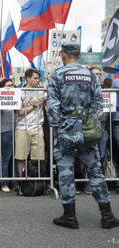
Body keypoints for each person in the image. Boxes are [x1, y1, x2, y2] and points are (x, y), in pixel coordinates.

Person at [47, 42, 119, 229]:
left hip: (66, 130)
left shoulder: (57, 75)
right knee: (95, 170)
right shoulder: (90, 75)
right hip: (87, 129)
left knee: (65, 172)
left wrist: (60, 125)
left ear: (63, 55)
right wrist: (90, 121)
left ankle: (70, 217)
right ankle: (107, 215)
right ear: (78, 56)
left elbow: (52, 105)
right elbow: (98, 100)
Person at [15, 69, 46, 182]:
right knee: (21, 157)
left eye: (39, 78)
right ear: (28, 78)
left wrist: (46, 100)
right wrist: (35, 105)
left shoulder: (42, 91)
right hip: (22, 127)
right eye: (35, 78)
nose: (37, 81)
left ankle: (36, 182)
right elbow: (21, 111)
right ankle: (23, 182)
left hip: (38, 128)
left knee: (38, 158)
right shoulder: (21, 92)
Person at [0, 79, 16, 192]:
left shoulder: (15, 98)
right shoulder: (0, 99)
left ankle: (14, 182)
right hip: (6, 131)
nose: (11, 87)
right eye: (8, 85)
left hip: (16, 130)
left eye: (12, 85)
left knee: (14, 158)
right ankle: (4, 183)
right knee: (5, 159)